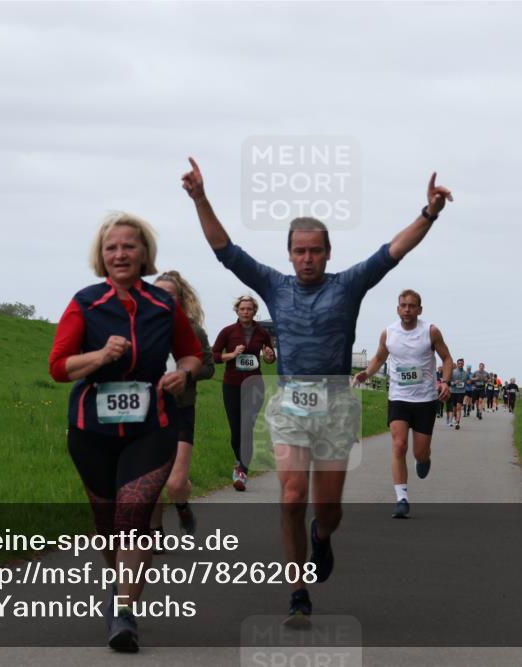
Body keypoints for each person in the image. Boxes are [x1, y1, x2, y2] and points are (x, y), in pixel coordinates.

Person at [182, 156, 453, 623]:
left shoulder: (349, 285)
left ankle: (321, 537)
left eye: (315, 251)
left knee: (328, 511)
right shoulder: (273, 284)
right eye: (299, 251)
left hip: (336, 408)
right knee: (290, 495)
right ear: (289, 254)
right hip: (289, 404)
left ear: (327, 253)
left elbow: (395, 250)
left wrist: (428, 212)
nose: (307, 259)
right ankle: (297, 591)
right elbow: (225, 250)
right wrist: (200, 197)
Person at [48, 213, 203, 652]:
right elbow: (59, 367)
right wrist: (98, 356)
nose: (120, 254)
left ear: (144, 254)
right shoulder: (86, 303)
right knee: (109, 525)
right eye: (111, 247)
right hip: (91, 429)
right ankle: (122, 590)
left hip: (151, 428)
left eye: (128, 246)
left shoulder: (163, 305)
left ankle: (123, 612)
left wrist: (184, 376)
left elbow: (191, 355)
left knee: (133, 515)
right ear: (102, 255)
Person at [353, 290, 452, 518]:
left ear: (420, 309)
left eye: (412, 306)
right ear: (397, 309)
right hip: (398, 397)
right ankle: (402, 499)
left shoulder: (430, 331)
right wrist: (365, 374)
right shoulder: (389, 333)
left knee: (419, 452)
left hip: (425, 399)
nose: (407, 309)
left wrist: (445, 382)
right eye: (403, 305)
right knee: (399, 445)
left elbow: (446, 358)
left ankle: (424, 458)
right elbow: (379, 358)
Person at [147, 271, 214, 541]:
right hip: (148, 411)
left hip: (182, 410)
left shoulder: (193, 331)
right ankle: (155, 532)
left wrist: (185, 375)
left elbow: (209, 367)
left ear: (179, 299)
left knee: (175, 483)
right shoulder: (141, 328)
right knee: (151, 481)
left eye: (169, 295)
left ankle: (182, 506)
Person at [211, 295, 275, 491]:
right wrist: (231, 355)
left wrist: (270, 356)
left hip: (254, 386)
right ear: (237, 311)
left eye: (249, 309)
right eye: (242, 309)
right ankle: (240, 459)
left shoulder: (263, 333)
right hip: (231, 385)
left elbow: (270, 357)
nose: (246, 312)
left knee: (247, 428)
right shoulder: (228, 332)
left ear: (254, 311)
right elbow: (213, 356)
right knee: (236, 430)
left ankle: (242, 472)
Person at [448, 358, 469, 430]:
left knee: (459, 407)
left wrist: (469, 382)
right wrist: (454, 383)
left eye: (462, 363)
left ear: (463, 364)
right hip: (453, 392)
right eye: (459, 363)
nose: (460, 365)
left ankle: (457, 423)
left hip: (461, 392)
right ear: (457, 364)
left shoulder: (466, 373)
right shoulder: (452, 372)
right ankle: (454, 417)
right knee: (454, 408)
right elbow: (448, 382)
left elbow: (468, 381)